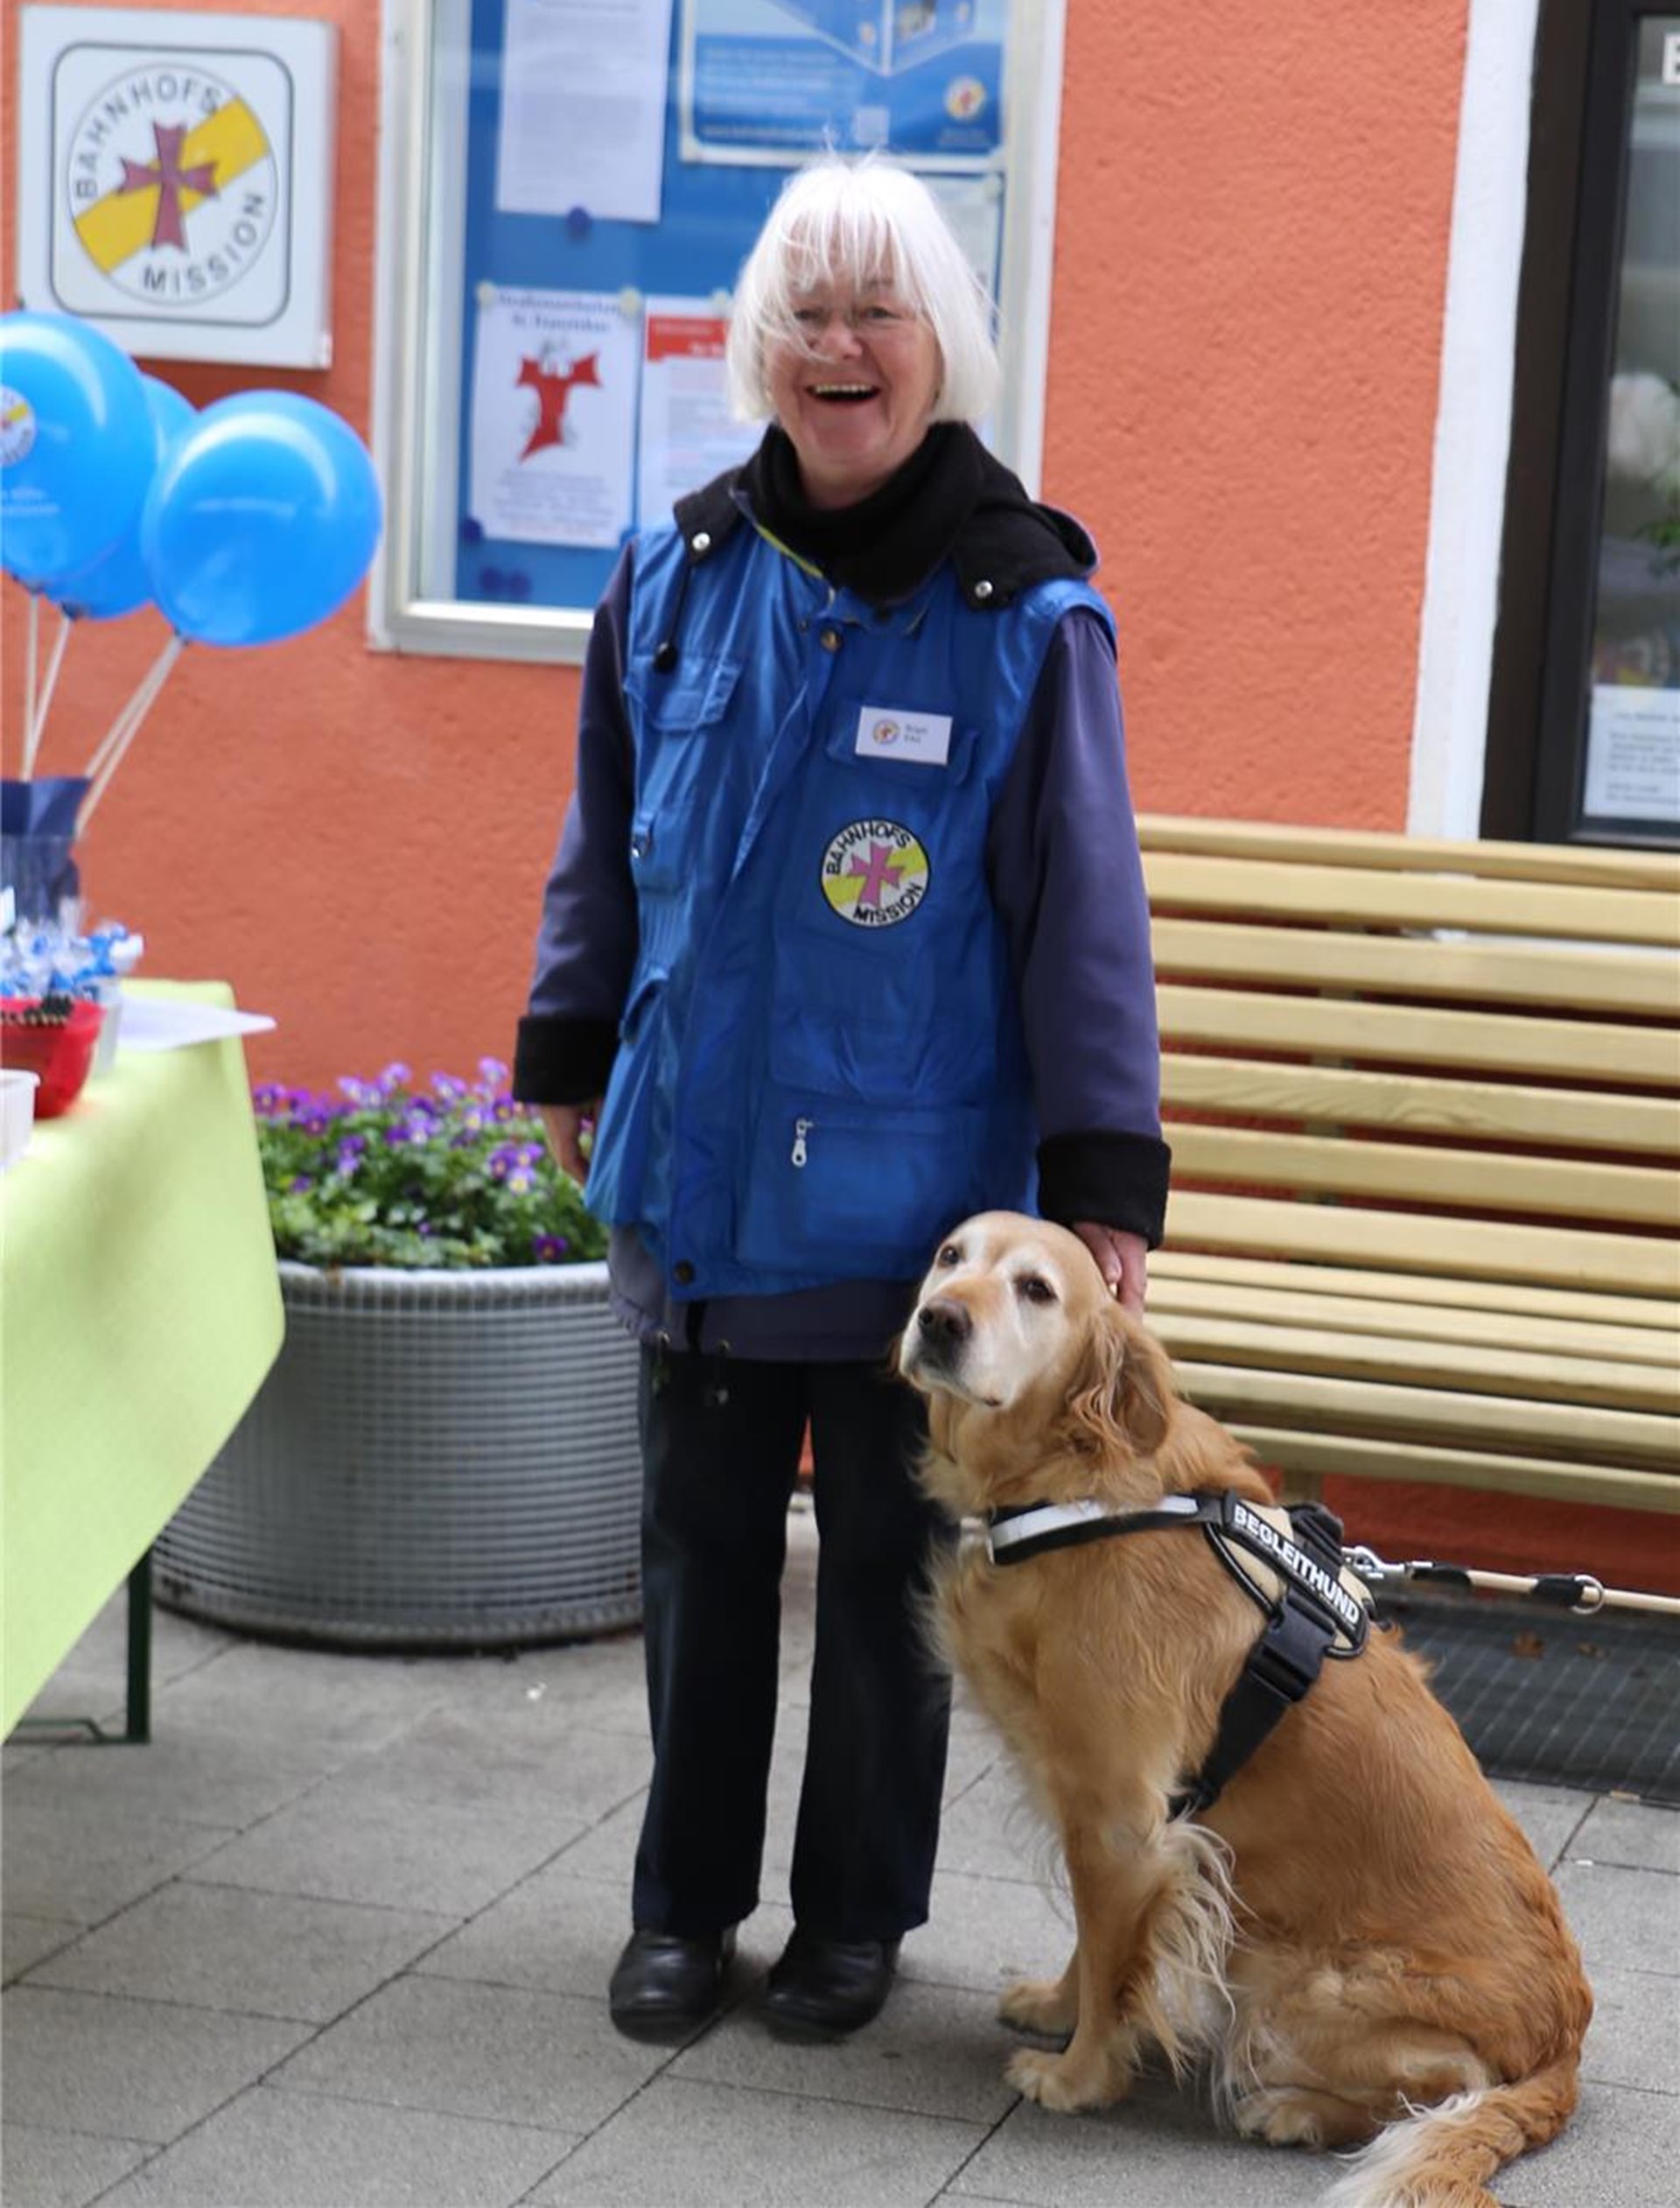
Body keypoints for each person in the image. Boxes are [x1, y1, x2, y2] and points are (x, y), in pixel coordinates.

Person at [513, 154, 1167, 2046]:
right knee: (701, 1555)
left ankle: (856, 1918)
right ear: (761, 345)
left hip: (916, 1223)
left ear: (939, 342)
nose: (839, 345)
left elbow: (1087, 916)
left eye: (879, 309)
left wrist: (1103, 1177)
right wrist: (569, 1042)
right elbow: (606, 848)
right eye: (805, 311)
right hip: (704, 1186)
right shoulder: (674, 577)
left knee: (892, 1577)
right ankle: (682, 1906)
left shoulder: (1025, 613)